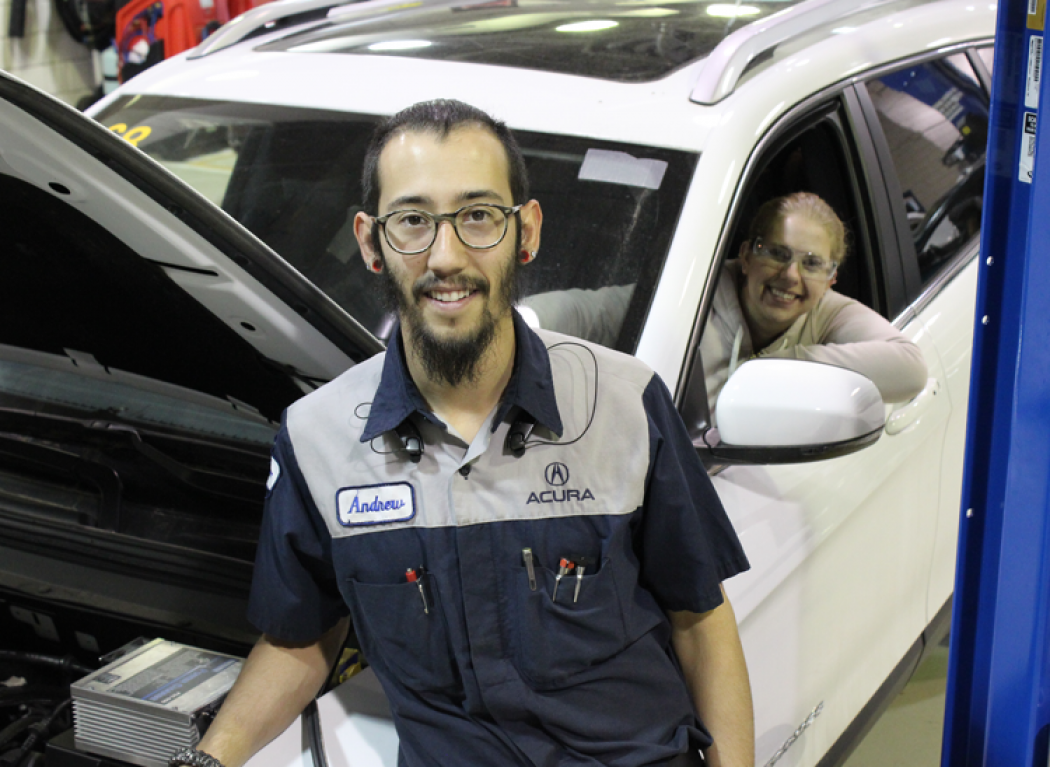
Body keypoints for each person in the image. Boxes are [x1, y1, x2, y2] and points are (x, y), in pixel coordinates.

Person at [170, 99, 754, 767]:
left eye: (478, 216)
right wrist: (210, 759)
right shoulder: (318, 439)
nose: (445, 256)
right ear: (370, 241)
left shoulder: (627, 403)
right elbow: (301, 639)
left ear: (525, 231)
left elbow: (700, 619)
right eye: (413, 220)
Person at [701, 193, 928, 413]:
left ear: (830, 280)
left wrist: (773, 368)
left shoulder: (829, 313)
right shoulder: (697, 301)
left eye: (811, 263)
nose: (791, 275)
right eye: (778, 254)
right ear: (746, 256)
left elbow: (911, 368)